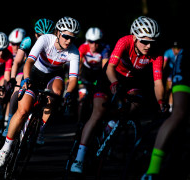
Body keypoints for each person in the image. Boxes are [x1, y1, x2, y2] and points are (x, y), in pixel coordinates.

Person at [70, 16, 166, 173]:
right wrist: (114, 83)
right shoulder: (124, 42)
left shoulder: (156, 53)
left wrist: (161, 101)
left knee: (136, 105)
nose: (148, 46)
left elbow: (158, 83)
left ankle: (112, 123)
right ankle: (79, 158)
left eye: (152, 42)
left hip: (132, 81)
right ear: (134, 37)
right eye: (144, 41)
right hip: (111, 76)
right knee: (98, 112)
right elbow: (110, 67)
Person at [0, 16, 80, 167]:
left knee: (58, 93)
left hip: (54, 76)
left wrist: (69, 93)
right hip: (35, 73)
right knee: (23, 111)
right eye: (66, 36)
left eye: (72, 38)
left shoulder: (73, 51)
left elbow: (72, 80)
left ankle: (40, 129)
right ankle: (5, 148)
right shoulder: (45, 39)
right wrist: (26, 79)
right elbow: (29, 61)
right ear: (58, 33)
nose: (68, 41)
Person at [2, 18, 55, 139]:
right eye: (41, 36)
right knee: (18, 88)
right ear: (36, 34)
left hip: (46, 73)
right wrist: (12, 78)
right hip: (28, 70)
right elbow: (17, 62)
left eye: (48, 36)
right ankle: (10, 120)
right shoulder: (28, 41)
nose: (44, 40)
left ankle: (40, 129)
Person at [141, 49, 190, 179]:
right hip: (187, 62)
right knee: (179, 112)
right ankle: (152, 170)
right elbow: (163, 67)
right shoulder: (169, 53)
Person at [77, 27, 111, 122]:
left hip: (98, 74)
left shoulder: (105, 49)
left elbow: (105, 67)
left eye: (97, 42)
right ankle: (79, 124)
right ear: (87, 41)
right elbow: (78, 64)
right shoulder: (83, 47)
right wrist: (77, 77)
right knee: (82, 97)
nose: (94, 45)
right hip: (85, 73)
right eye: (91, 42)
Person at [162, 41, 183, 112]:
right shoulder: (168, 52)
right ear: (172, 48)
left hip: (179, 71)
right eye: (175, 48)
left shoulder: (182, 52)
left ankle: (171, 107)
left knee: (174, 88)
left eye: (178, 48)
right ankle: (164, 104)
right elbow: (164, 64)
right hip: (170, 70)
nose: (177, 50)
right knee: (167, 88)